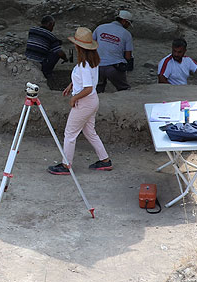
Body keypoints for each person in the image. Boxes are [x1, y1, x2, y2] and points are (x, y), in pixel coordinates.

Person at [49, 27, 113, 175]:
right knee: (90, 132)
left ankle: (66, 165)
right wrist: (72, 85)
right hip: (92, 101)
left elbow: (88, 88)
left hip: (84, 102)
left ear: (78, 46)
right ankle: (105, 160)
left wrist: (74, 98)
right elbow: (87, 82)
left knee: (70, 134)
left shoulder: (84, 65)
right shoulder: (92, 61)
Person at [93, 9, 135, 92]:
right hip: (115, 67)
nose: (128, 26)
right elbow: (128, 56)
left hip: (97, 66)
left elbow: (90, 45)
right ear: (124, 21)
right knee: (124, 89)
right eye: (128, 23)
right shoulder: (126, 34)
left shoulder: (100, 27)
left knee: (98, 89)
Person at [25, 15, 67, 79]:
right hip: (39, 63)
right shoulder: (51, 36)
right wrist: (65, 58)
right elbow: (60, 53)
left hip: (27, 60)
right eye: (53, 26)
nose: (52, 28)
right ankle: (47, 73)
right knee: (55, 53)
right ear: (50, 24)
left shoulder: (32, 30)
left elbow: (40, 40)